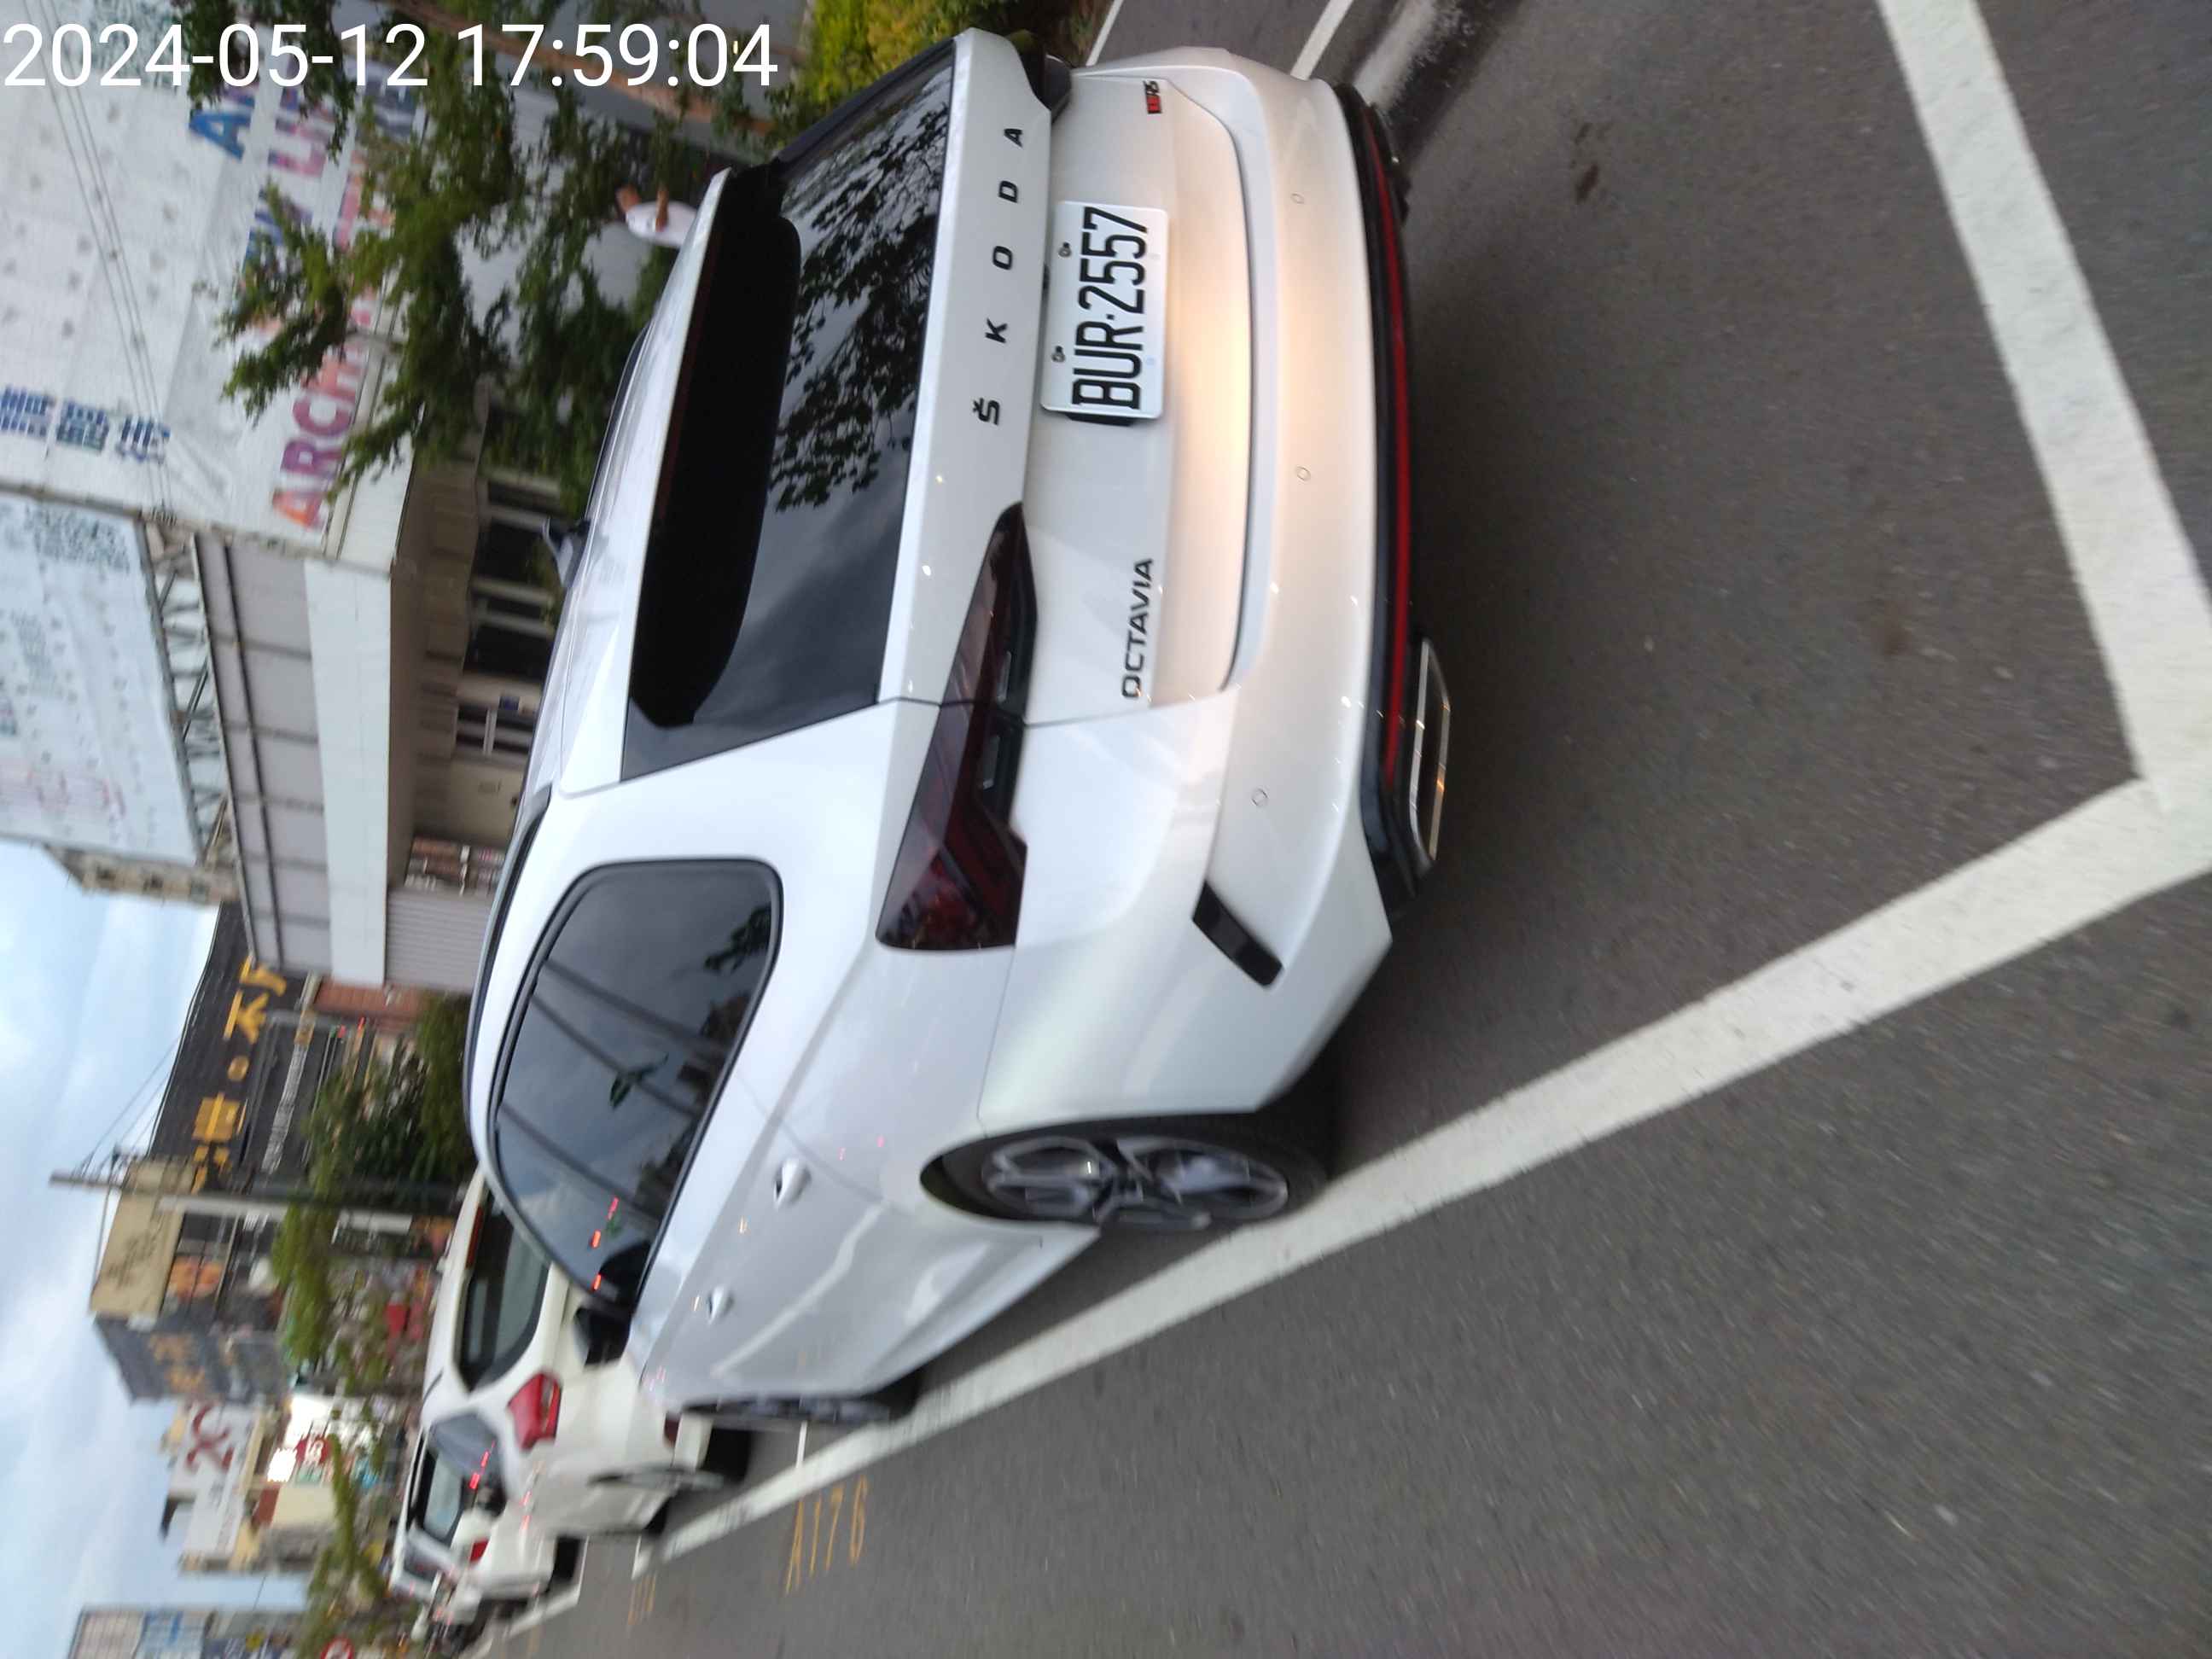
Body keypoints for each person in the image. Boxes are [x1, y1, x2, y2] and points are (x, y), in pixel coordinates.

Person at [617, 183, 696, 248]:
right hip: (694, 235)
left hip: (695, 230)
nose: (636, 193)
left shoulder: (638, 212)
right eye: (632, 192)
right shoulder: (634, 218)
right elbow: (659, 224)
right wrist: (663, 201)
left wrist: (662, 203)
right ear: (624, 200)